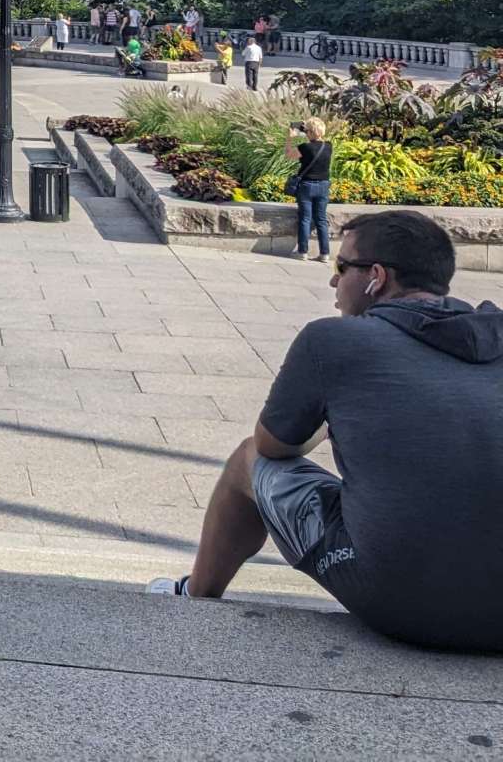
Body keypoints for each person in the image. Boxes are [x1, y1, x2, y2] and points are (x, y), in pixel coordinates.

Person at [149, 210, 503, 652]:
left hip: (406, 604)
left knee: (247, 460)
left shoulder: (333, 340)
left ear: (376, 277)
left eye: (341, 267)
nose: (335, 283)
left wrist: (332, 414)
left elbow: (273, 446)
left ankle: (195, 594)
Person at [284, 117, 332, 262]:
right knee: (321, 220)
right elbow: (317, 139)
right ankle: (325, 254)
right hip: (323, 186)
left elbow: (288, 155)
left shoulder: (305, 147)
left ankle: (303, 252)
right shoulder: (329, 146)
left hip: (307, 186)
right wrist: (310, 128)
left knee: (305, 218)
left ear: (309, 132)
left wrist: (290, 138)